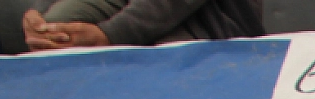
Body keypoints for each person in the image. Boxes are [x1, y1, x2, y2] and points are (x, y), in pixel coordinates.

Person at [21, 0, 263, 50]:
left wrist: (110, 35)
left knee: (171, 57)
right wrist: (38, 15)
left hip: (204, 14)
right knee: (54, 32)